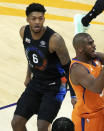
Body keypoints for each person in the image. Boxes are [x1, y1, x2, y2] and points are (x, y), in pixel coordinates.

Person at [11, 3, 75, 131]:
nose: (37, 22)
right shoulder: (24, 32)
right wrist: (28, 75)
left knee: (42, 126)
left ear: (44, 19)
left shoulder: (55, 40)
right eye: (34, 18)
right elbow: (30, 54)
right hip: (37, 82)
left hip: (56, 85)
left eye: (41, 18)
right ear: (28, 19)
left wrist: (73, 95)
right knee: (16, 123)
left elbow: (69, 68)